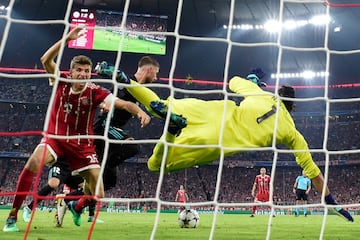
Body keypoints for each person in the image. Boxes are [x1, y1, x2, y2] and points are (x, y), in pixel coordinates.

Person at [101, 66, 354, 222]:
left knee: (160, 106)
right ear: (293, 107)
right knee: (157, 165)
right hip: (217, 139)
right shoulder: (292, 132)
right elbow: (314, 173)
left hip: (213, 110)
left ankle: (126, 80)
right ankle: (171, 130)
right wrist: (331, 202)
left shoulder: (262, 94)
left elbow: (234, 81)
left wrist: (252, 82)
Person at [2, 26, 151, 232]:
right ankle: (12, 216)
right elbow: (46, 60)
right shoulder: (60, 81)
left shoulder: (95, 91)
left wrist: (139, 112)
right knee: (35, 160)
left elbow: (122, 103)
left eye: (86, 71)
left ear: (90, 74)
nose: (82, 74)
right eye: (79, 70)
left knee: (98, 192)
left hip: (83, 146)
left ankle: (76, 205)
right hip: (55, 138)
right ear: (71, 71)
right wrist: (66, 39)